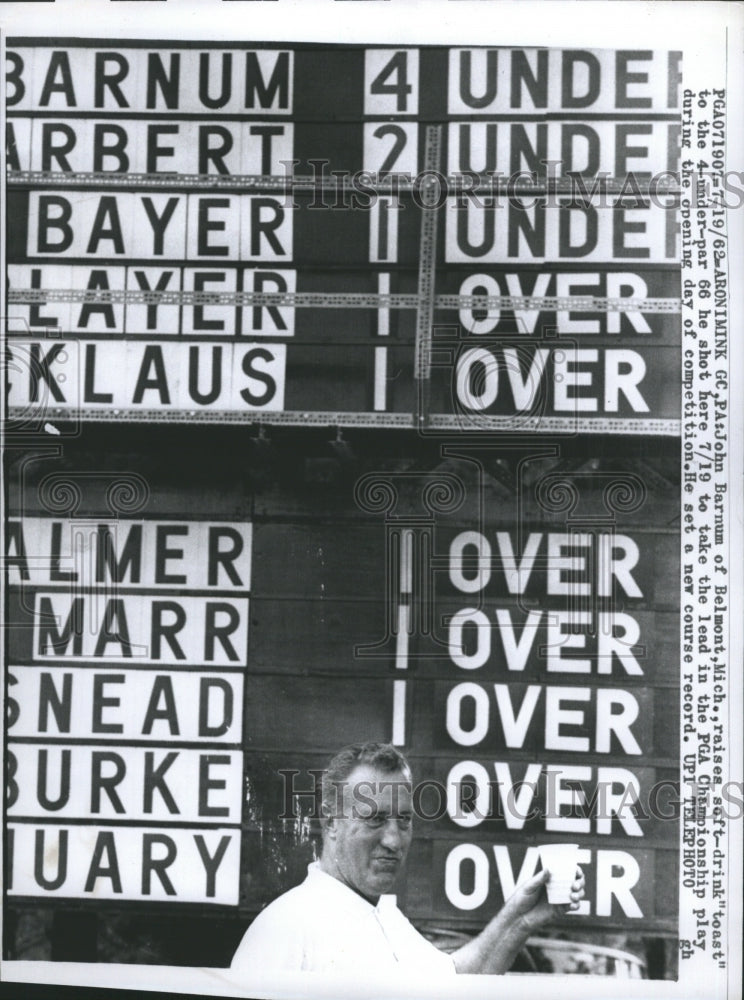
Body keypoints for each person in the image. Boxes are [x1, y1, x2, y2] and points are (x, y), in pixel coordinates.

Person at [231, 741, 585, 975]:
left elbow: (458, 985)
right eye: (374, 819)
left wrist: (520, 919)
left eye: (404, 820)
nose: (393, 839)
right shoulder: (286, 927)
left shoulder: (385, 914)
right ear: (331, 821)